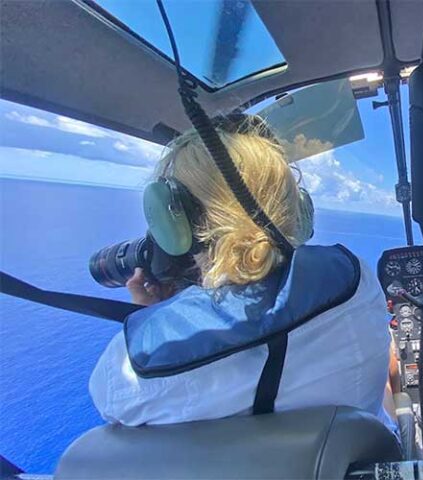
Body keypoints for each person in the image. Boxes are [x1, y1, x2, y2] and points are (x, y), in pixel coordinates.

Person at [89, 115, 396, 433]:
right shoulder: (356, 279)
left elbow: (118, 405)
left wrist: (153, 317)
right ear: (297, 209)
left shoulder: (135, 364)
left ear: (174, 219)